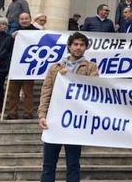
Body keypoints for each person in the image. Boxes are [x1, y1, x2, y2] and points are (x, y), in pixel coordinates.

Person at [38, 32, 99, 182]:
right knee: (48, 165)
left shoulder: (91, 67)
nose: (78, 48)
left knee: (73, 164)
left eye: (82, 45)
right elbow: (46, 92)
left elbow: (94, 90)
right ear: (69, 46)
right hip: (54, 119)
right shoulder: (55, 68)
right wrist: (42, 115)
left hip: (75, 122)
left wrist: (71, 76)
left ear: (86, 48)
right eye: (75, 44)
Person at [6, 12, 38, 119]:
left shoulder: (37, 32)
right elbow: (8, 49)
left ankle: (28, 113)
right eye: (22, 19)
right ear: (19, 20)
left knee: (28, 92)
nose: (24, 20)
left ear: (30, 19)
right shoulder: (15, 32)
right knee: (12, 92)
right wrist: (12, 38)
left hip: (29, 67)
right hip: (16, 66)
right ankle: (12, 113)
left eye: (26, 18)